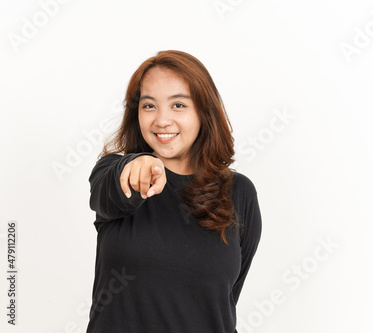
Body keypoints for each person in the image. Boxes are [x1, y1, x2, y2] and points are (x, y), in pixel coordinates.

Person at [85, 50, 262, 333]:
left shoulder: (239, 192)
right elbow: (112, 190)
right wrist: (138, 164)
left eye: (178, 105)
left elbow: (224, 300)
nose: (162, 121)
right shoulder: (113, 172)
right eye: (149, 106)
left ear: (204, 112)